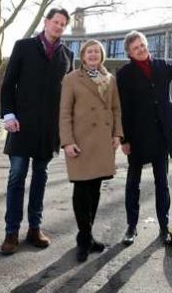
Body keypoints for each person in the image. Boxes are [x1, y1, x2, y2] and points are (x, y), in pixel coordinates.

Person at [0, 8, 74, 255]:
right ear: (46, 22)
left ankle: (34, 228)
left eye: (63, 24)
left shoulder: (68, 55)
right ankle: (11, 232)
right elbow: (9, 83)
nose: (58, 27)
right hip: (21, 125)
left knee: (40, 178)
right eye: (55, 22)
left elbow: (67, 97)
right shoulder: (23, 46)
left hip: (48, 130)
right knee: (17, 176)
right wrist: (8, 115)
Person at [117, 24, 172, 245]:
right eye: (135, 48)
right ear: (129, 52)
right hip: (137, 137)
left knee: (161, 183)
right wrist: (124, 139)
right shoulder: (124, 74)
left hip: (161, 135)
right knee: (132, 184)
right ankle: (131, 227)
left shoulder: (161, 66)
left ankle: (163, 227)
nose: (141, 49)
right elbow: (122, 107)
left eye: (142, 45)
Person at [59, 39, 123, 262]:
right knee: (81, 188)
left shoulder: (110, 79)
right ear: (83, 56)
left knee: (95, 188)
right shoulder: (71, 79)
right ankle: (84, 238)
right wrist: (67, 141)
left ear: (101, 56)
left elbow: (116, 109)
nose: (93, 54)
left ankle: (87, 236)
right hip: (80, 141)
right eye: (89, 51)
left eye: (97, 51)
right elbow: (65, 113)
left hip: (103, 141)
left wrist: (117, 134)